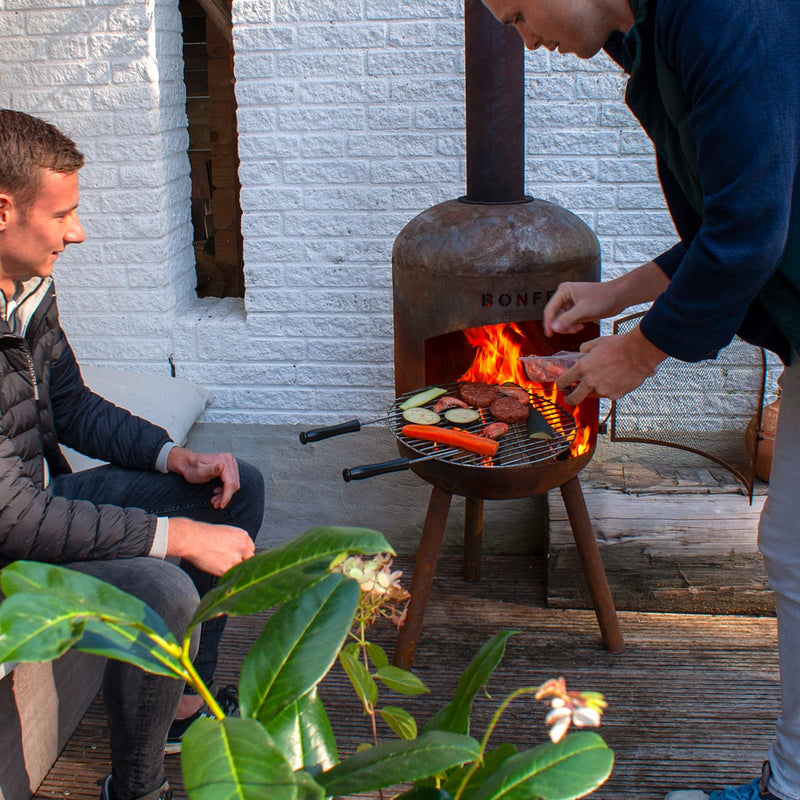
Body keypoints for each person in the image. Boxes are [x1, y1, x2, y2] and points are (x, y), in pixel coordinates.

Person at [478, 1, 800, 799]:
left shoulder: (725, 13)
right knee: (794, 553)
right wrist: (615, 295)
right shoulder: (653, 38)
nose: (524, 40)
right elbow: (725, 217)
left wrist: (640, 350)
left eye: (518, 12)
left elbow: (750, 228)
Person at [0, 109, 266, 800]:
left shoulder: (25, 291)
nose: (77, 232)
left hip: (36, 508)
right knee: (165, 589)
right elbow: (13, 520)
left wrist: (171, 457)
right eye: (63, 215)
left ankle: (180, 705)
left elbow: (73, 405)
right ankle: (137, 790)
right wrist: (174, 536)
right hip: (12, 537)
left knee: (239, 490)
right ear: (2, 210)